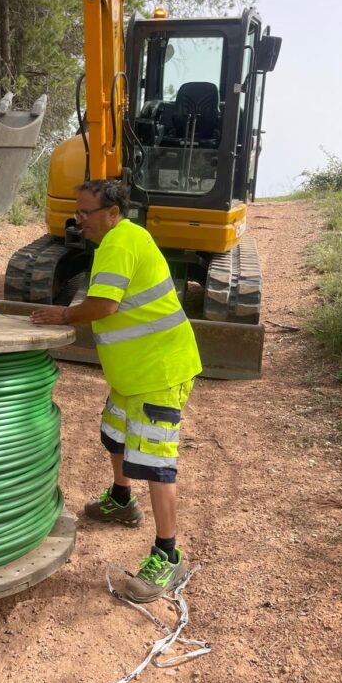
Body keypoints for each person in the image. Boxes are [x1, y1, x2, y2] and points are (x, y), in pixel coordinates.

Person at [31, 179, 202, 603]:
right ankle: (122, 499)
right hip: (133, 373)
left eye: (86, 212)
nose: (78, 219)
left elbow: (104, 306)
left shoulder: (120, 242)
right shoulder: (120, 239)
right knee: (115, 434)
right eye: (77, 211)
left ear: (112, 213)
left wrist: (65, 315)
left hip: (159, 372)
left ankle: (168, 554)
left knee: (155, 461)